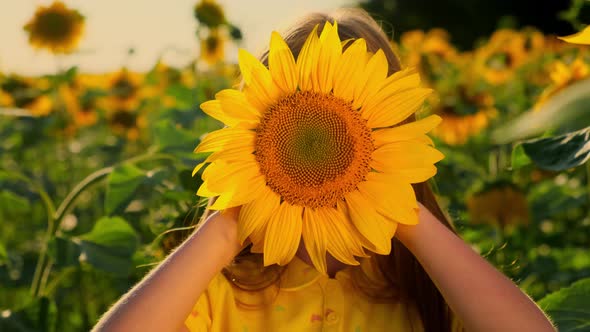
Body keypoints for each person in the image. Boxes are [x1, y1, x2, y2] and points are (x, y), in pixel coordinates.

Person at [92, 8, 556, 332]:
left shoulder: (432, 292)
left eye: (348, 136)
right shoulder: (220, 294)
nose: (317, 152)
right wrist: (230, 224)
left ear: (395, 138)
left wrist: (404, 213)